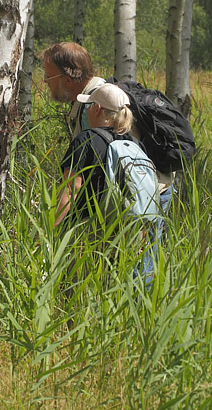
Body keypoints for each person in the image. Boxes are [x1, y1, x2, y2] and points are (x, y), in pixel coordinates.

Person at [54, 82, 162, 286]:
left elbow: (71, 188)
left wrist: (53, 229)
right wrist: (141, 233)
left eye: (89, 106)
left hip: (87, 233)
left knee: (75, 294)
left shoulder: (85, 139)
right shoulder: (135, 144)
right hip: (126, 235)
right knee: (113, 293)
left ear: (97, 109)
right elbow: (142, 192)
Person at [40, 42, 105, 136]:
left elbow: (92, 150)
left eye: (48, 76)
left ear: (67, 80)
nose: (45, 81)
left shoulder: (91, 107)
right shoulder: (100, 89)